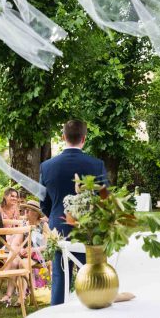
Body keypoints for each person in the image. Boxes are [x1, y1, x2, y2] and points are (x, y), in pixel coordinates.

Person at [40, 119, 107, 306]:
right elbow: (105, 199)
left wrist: (55, 214)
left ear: (63, 137)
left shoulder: (47, 167)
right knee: (92, 275)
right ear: (84, 138)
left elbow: (43, 203)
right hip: (89, 229)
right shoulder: (96, 165)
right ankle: (94, 310)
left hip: (58, 228)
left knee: (60, 276)